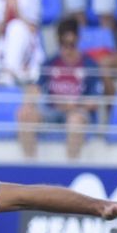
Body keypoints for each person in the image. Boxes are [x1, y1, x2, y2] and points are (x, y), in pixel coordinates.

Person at [16, 16, 100, 160]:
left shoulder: (89, 65)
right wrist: (29, 100)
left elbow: (94, 101)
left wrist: (74, 104)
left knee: (75, 122)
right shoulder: (50, 62)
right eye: (63, 44)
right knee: (25, 114)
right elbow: (36, 87)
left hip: (77, 111)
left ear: (78, 39)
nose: (67, 49)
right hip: (52, 110)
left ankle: (71, 167)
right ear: (58, 40)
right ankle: (29, 164)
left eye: (71, 44)